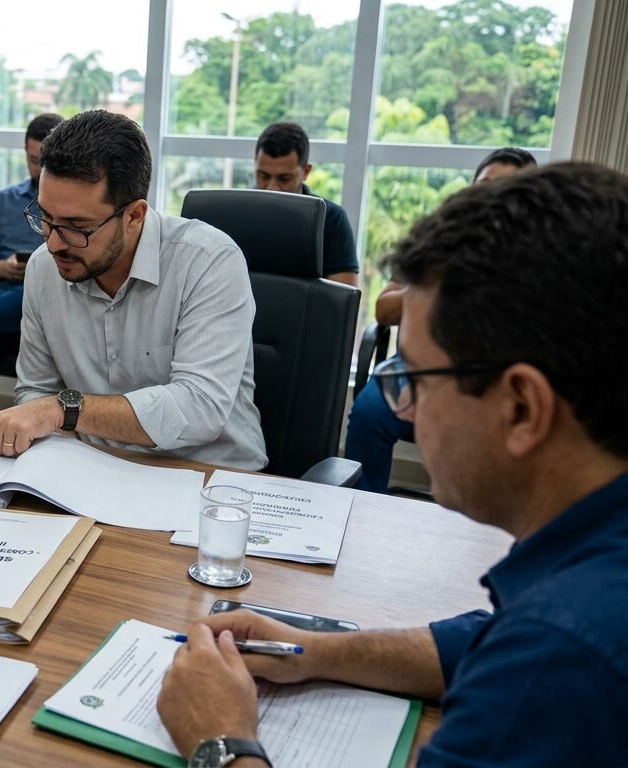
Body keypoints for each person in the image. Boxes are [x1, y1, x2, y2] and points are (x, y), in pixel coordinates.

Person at [156, 162, 628, 767]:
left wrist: (220, 739)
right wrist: (313, 650)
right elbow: (484, 641)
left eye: (415, 378)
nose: (404, 406)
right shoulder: (583, 575)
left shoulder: (560, 659)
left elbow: (536, 651)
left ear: (521, 408)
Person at [0, 110, 267, 470]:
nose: (54, 243)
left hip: (210, 481)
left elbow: (198, 408)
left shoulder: (209, 261)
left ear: (134, 215)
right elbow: (35, 393)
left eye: (77, 226)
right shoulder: (45, 268)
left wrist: (64, 409)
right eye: (45, 217)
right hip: (95, 469)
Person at [345, 146, 538, 493]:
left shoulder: (538, 256)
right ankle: (361, 508)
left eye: (509, 192)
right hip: (417, 367)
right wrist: (437, 286)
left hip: (491, 376)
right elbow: (384, 310)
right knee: (369, 413)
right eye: (484, 188)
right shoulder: (440, 241)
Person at [0, 113, 64, 419]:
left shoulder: (70, 204)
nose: (39, 169)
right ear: (25, 152)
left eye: (46, 161)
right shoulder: (5, 201)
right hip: (4, 308)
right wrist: (3, 269)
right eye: (34, 160)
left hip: (53, 302)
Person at [253, 121, 358, 286]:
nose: (272, 187)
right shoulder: (236, 212)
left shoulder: (331, 219)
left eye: (284, 179)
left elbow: (344, 302)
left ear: (306, 172)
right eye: (263, 176)